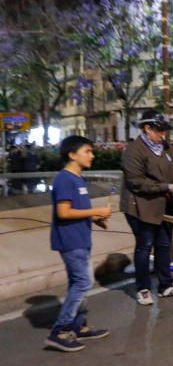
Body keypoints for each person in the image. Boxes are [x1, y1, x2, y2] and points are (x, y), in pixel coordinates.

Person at [121, 110, 173, 305]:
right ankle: (143, 288)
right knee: (145, 246)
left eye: (164, 130)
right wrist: (168, 187)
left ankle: (166, 285)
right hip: (141, 206)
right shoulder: (134, 150)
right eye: (159, 130)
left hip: (165, 205)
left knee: (164, 245)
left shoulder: (166, 147)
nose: (163, 134)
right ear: (147, 128)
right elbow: (136, 182)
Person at [45, 136, 113, 352]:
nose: (92, 155)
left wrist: (95, 219)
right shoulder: (65, 179)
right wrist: (97, 211)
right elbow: (63, 212)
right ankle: (59, 331)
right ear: (72, 155)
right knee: (82, 282)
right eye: (87, 151)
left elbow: (75, 211)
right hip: (70, 241)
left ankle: (78, 325)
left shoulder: (77, 179)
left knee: (81, 282)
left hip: (81, 238)